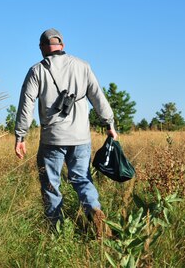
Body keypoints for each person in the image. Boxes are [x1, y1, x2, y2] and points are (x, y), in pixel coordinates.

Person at [14, 28, 118, 237]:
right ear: (62, 45)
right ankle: (94, 210)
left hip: (52, 138)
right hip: (80, 138)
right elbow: (98, 96)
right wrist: (109, 124)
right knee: (82, 179)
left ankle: (57, 232)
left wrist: (20, 136)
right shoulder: (83, 66)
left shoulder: (37, 70)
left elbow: (26, 105)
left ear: (42, 48)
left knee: (51, 185)